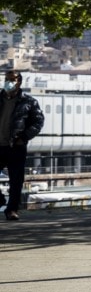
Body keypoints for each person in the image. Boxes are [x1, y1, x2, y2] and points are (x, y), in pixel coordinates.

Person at [0, 70, 44, 220]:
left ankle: (11, 210)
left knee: (16, 180)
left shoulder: (29, 102)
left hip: (16, 146)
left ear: (19, 82)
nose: (8, 82)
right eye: (6, 79)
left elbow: (38, 122)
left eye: (11, 79)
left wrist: (24, 137)